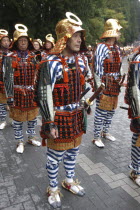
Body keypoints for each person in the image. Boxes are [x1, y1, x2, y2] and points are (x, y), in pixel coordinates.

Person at [37, 12, 92, 208]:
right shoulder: (49, 63)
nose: (80, 40)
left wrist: (85, 101)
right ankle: (52, 188)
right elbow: (45, 94)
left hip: (76, 115)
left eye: (80, 36)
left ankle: (69, 181)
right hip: (58, 116)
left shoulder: (83, 61)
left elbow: (83, 85)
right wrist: (49, 122)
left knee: (73, 152)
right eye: (76, 36)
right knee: (55, 157)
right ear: (65, 38)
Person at [4, 24, 41, 154]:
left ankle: (31, 137)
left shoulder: (34, 56)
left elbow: (39, 74)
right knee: (18, 120)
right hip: (17, 92)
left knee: (32, 118)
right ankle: (20, 141)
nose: (23, 42)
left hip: (31, 93)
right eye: (21, 40)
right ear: (16, 42)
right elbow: (7, 78)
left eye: (25, 40)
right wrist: (9, 97)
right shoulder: (9, 57)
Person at [93, 19, 123, 148]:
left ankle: (105, 132)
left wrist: (120, 78)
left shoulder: (116, 48)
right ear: (112, 32)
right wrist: (99, 85)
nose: (119, 34)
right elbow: (97, 68)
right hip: (104, 83)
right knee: (101, 111)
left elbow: (119, 65)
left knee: (111, 110)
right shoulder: (101, 47)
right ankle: (96, 137)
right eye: (118, 31)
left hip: (115, 84)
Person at [124, 51, 140, 186]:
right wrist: (137, 112)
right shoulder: (138, 60)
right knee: (139, 138)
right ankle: (136, 171)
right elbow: (135, 88)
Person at [0, 29, 11, 129]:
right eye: (4, 40)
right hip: (0, 81)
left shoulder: (12, 54)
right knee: (1, 102)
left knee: (12, 101)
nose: (6, 42)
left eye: (8, 40)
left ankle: (13, 119)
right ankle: (3, 120)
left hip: (11, 82)